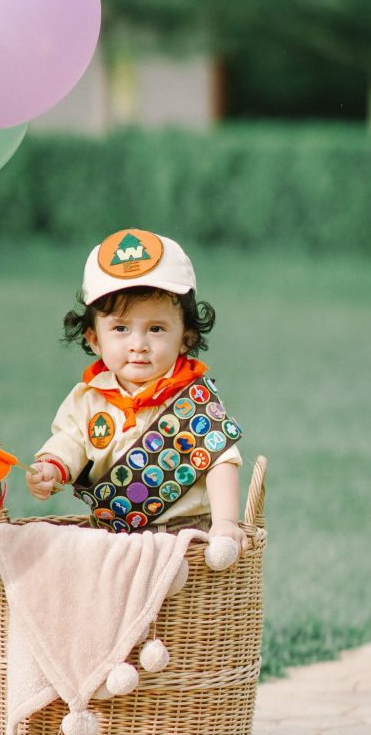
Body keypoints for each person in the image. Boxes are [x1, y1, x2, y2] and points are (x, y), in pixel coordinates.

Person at [26, 228, 248, 553]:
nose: (138, 345)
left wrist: (225, 522)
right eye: (120, 328)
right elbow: (70, 442)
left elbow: (220, 460)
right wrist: (52, 467)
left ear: (186, 337)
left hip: (188, 536)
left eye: (156, 329)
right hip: (114, 542)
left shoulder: (193, 397)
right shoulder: (88, 398)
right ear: (94, 339)